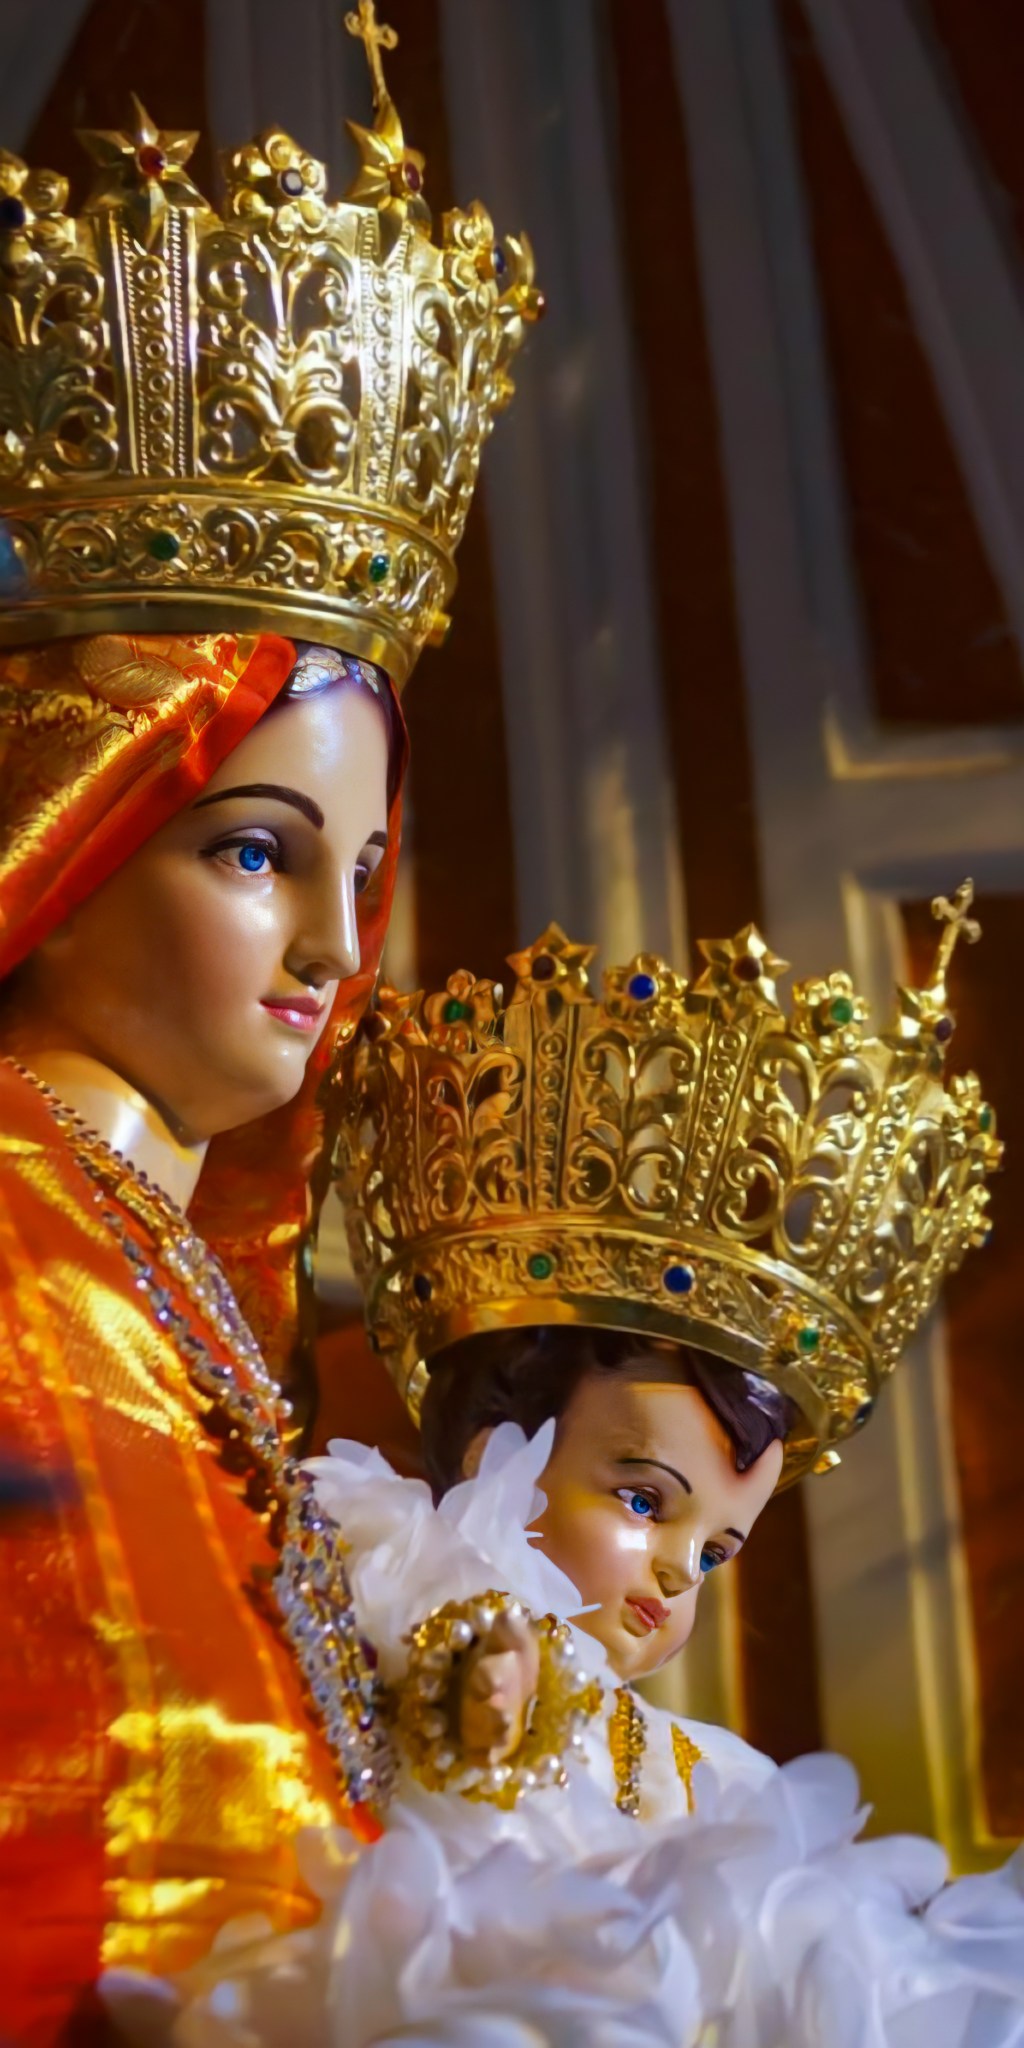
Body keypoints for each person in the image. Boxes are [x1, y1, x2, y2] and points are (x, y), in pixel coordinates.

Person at [0, 5, 540, 2030]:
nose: (331, 943)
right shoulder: (19, 1237)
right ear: (65, 827)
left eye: (361, 868)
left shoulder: (155, 1262)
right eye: (253, 849)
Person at [105, 910, 1024, 2044]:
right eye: (644, 1500)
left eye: (716, 1550)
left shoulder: (714, 1774)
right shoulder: (390, 1597)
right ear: (498, 1451)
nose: (678, 1571)